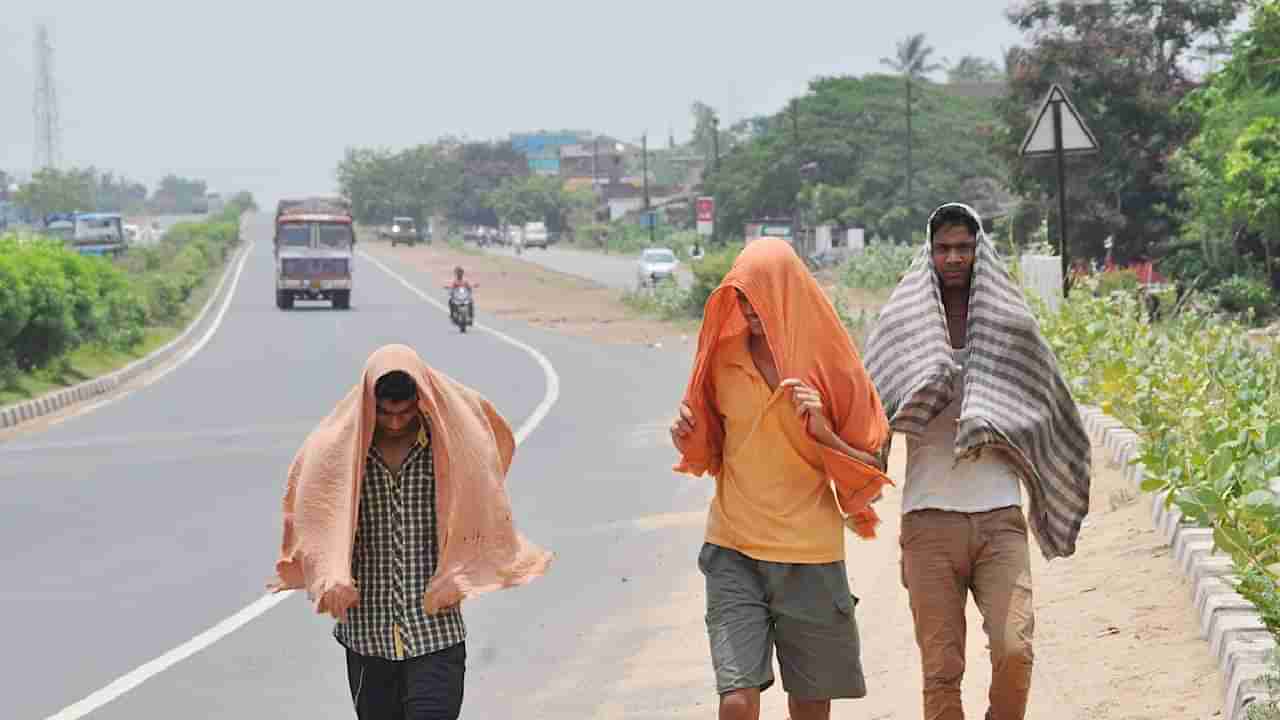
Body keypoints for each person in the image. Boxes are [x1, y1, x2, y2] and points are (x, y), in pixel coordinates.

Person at [863, 203, 1092, 720]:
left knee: (1015, 650)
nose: (953, 258)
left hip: (999, 515)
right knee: (941, 671)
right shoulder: (903, 323)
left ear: (977, 250)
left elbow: (1046, 398)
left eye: (963, 248)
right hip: (928, 518)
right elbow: (868, 399)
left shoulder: (1009, 323)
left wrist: (1003, 418)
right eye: (943, 248)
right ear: (930, 251)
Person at [669, 238, 893, 720]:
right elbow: (705, 448)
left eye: (760, 297)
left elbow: (873, 467)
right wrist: (684, 433)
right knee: (736, 701)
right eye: (742, 297)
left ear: (788, 294)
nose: (749, 310)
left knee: (810, 708)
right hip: (734, 551)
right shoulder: (721, 358)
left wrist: (826, 435)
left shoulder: (832, 364)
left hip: (811, 557)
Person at [269, 344, 553, 720]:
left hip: (436, 632)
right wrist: (329, 575)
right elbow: (313, 519)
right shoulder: (336, 454)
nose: (397, 422)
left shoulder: (450, 448)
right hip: (367, 638)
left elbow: (486, 500)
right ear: (370, 405)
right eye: (386, 413)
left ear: (421, 399)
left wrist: (462, 569)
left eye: (405, 411)